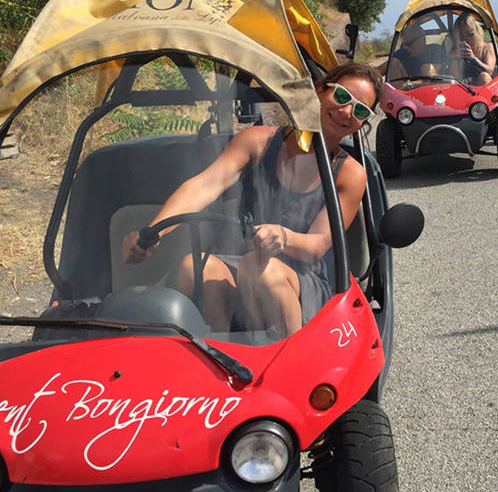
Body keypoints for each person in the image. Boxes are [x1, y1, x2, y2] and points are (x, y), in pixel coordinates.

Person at [121, 62, 381, 337]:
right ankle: (217, 357)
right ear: (319, 91)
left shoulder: (351, 173)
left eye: (360, 110)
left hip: (304, 278)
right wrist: (153, 231)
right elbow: (203, 186)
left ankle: (292, 364)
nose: (347, 112)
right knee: (194, 266)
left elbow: (318, 244)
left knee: (258, 270)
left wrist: (283, 236)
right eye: (342, 97)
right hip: (242, 260)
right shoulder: (257, 142)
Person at [450, 13, 496, 85]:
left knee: (484, 76)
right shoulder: (455, 51)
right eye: (462, 36)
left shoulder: (486, 48)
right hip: (461, 87)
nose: (467, 39)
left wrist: (473, 58)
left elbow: (490, 71)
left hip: (482, 89)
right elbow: (450, 78)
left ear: (476, 31)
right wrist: (455, 58)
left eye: (470, 34)